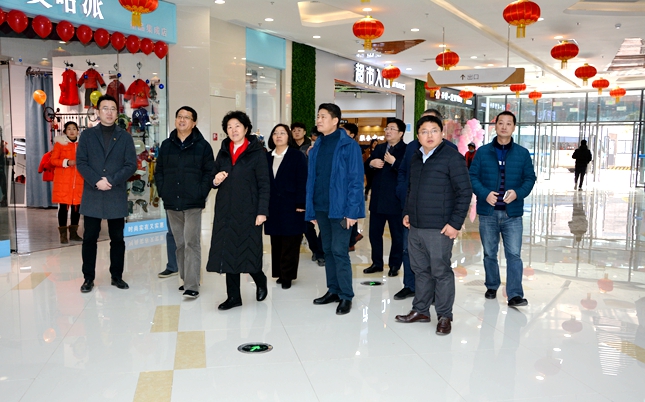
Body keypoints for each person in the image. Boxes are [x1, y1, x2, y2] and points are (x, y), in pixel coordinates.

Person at [395, 115, 472, 336]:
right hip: (416, 226)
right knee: (420, 270)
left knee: (441, 272)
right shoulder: (416, 157)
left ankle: (444, 316)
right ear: (418, 136)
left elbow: (465, 192)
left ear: (441, 133)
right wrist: (407, 212)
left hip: (439, 227)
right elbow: (411, 188)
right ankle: (421, 310)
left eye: (434, 130)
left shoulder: (452, 157)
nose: (429, 135)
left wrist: (455, 223)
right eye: (424, 131)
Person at [469, 110, 536, 307]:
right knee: (489, 252)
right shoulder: (483, 152)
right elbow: (472, 177)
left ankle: (514, 294)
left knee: (514, 254)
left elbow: (529, 178)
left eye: (508, 123)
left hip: (512, 213)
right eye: (501, 123)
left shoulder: (522, 153)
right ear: (495, 126)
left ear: (514, 127)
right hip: (488, 212)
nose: (504, 126)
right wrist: (484, 193)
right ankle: (492, 285)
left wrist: (518, 193)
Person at [206, 111, 270, 310]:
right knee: (228, 252)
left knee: (249, 251)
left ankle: (260, 279)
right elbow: (213, 177)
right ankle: (234, 297)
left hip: (249, 210)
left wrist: (262, 211)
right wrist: (215, 180)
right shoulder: (223, 151)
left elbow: (264, 184)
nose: (233, 130)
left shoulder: (257, 152)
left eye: (237, 126)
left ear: (246, 128)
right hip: (226, 210)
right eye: (229, 127)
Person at [307, 103, 365, 315]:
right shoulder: (317, 145)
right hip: (321, 207)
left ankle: (346, 295)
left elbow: (356, 181)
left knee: (340, 251)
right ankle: (333, 290)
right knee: (328, 250)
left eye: (323, 116)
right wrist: (311, 209)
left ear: (335, 120)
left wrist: (352, 212)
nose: (319, 120)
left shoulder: (349, 145)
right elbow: (312, 179)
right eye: (318, 116)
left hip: (341, 209)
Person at [76, 94, 137, 293]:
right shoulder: (87, 135)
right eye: (105, 108)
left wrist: (110, 180)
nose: (109, 112)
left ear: (117, 113)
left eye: (113, 109)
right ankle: (88, 278)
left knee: (117, 238)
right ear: (97, 111)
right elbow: (81, 163)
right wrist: (97, 181)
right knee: (89, 238)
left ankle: (116, 276)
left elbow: (131, 165)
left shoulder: (125, 137)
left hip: (115, 192)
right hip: (93, 193)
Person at [155, 106, 215, 299]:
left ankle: (192, 284)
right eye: (179, 116)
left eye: (186, 117)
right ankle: (186, 278)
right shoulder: (166, 145)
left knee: (191, 242)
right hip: (172, 201)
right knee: (179, 243)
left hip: (193, 202)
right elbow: (159, 171)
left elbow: (209, 173)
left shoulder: (203, 146)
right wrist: (163, 191)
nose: (182, 120)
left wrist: (201, 192)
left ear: (194, 122)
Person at [393, 108, 444, 300]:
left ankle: (434, 292)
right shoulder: (411, 148)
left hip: (435, 212)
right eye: (423, 126)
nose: (427, 132)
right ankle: (410, 285)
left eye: (432, 127)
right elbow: (403, 172)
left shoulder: (449, 151)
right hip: (411, 209)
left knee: (434, 254)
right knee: (408, 249)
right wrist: (402, 193)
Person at [265, 124, 308, 289]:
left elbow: (302, 180)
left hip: (292, 205)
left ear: (288, 137)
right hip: (273, 205)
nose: (278, 136)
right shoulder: (267, 157)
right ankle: (279, 273)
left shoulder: (297, 156)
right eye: (275, 133)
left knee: (291, 241)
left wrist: (301, 203)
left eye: (282, 133)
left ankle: (287, 276)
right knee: (276, 240)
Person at [363, 118, 407, 277]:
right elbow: (366, 167)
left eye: (392, 129)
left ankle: (395, 264)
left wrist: (394, 163)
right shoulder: (380, 148)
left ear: (401, 133)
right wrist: (371, 163)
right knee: (374, 234)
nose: (388, 131)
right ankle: (377, 263)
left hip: (395, 200)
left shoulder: (406, 150)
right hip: (378, 199)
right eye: (387, 128)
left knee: (397, 235)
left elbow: (408, 172)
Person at [50, 121, 84, 244]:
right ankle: (63, 235)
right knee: (63, 208)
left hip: (79, 181)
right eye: (69, 129)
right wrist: (67, 162)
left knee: (76, 208)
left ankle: (74, 233)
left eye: (74, 128)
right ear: (65, 131)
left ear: (77, 131)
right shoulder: (60, 144)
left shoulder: (82, 144)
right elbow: (53, 160)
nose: (72, 131)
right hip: (63, 182)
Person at [344, 123, 364, 251]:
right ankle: (353, 237)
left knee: (350, 217)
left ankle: (352, 240)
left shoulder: (353, 147)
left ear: (352, 135)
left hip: (350, 190)